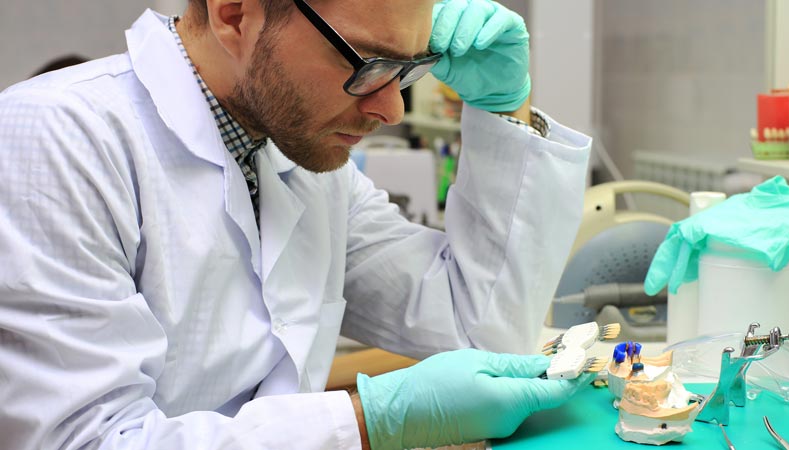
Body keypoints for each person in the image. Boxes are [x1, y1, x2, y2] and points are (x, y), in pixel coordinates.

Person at [0, 0, 593, 448]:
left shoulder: (301, 162)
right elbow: (86, 440)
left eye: (409, 70)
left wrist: (503, 110)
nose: (391, 109)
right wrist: (365, 421)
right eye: (369, 63)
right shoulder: (56, 136)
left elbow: (479, 329)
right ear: (235, 14)